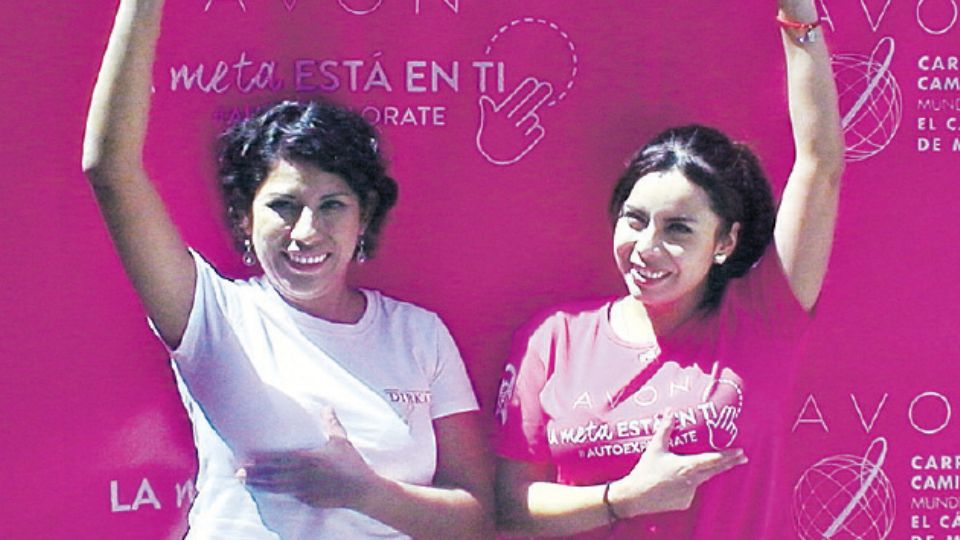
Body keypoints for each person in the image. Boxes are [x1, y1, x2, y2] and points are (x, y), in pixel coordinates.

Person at [81, 1, 492, 538]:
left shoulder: (419, 335)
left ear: (365, 217)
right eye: (283, 206)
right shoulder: (214, 315)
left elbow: (475, 521)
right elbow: (110, 169)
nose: (306, 232)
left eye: (332, 206)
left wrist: (364, 492)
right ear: (244, 217)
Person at [493, 0, 844, 537]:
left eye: (678, 229)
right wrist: (622, 500)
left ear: (725, 241)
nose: (646, 247)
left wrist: (797, 14)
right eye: (634, 220)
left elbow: (819, 164)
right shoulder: (555, 338)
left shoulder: (760, 319)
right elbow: (512, 510)